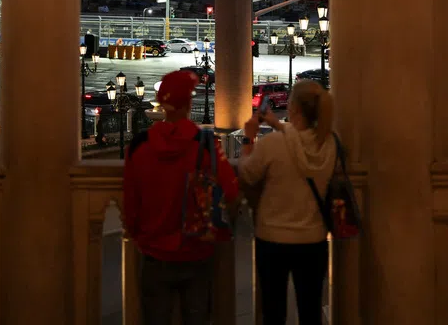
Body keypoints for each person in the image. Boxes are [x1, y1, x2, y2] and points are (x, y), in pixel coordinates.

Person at [123, 70, 238, 325]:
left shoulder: (140, 146)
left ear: (161, 103)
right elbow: (230, 191)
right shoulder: (206, 145)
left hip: (154, 252)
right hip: (196, 250)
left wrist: (139, 235)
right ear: (189, 104)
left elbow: (130, 203)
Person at [238, 80, 337, 325]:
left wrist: (249, 139)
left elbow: (247, 174)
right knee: (310, 310)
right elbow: (297, 140)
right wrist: (277, 124)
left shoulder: (272, 144)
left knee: (273, 312)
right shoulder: (329, 145)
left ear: (292, 107)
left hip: (273, 238)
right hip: (313, 239)